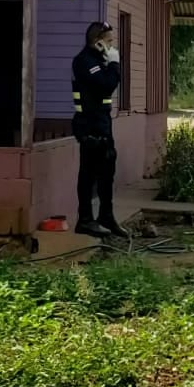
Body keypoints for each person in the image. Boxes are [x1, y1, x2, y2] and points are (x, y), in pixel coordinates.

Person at [71, 21, 128, 238]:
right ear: (98, 42)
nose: (112, 46)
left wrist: (109, 63)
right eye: (109, 41)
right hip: (89, 125)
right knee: (88, 173)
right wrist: (114, 64)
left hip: (102, 124)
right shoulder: (85, 61)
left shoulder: (98, 61)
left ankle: (106, 216)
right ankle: (85, 220)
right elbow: (106, 85)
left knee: (106, 173)